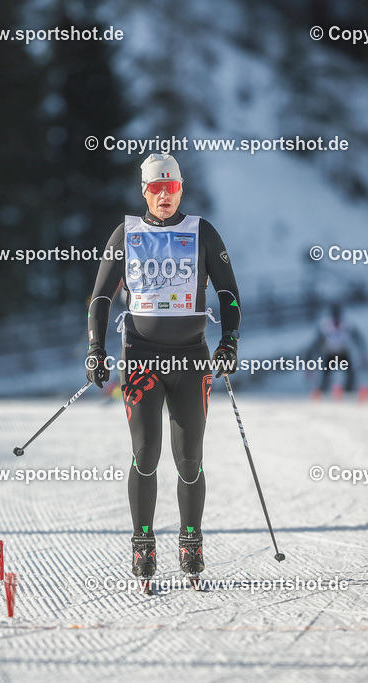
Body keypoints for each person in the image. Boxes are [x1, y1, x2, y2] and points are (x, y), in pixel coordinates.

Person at [85, 153, 241, 581]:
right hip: (140, 359)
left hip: (190, 360)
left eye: (170, 188)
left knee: (190, 458)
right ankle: (143, 544)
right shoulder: (126, 234)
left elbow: (228, 292)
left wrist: (229, 342)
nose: (164, 196)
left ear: (181, 189)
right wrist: (96, 349)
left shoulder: (202, 233)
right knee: (146, 452)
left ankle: (191, 541)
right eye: (155, 188)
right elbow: (100, 297)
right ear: (144, 191)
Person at [308, 303, 368, 392]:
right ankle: (321, 393)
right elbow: (317, 342)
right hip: (330, 353)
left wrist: (363, 352)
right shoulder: (325, 325)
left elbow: (358, 338)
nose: (336, 320)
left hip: (343, 353)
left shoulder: (347, 324)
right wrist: (312, 356)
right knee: (326, 375)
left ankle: (348, 392)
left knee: (350, 374)